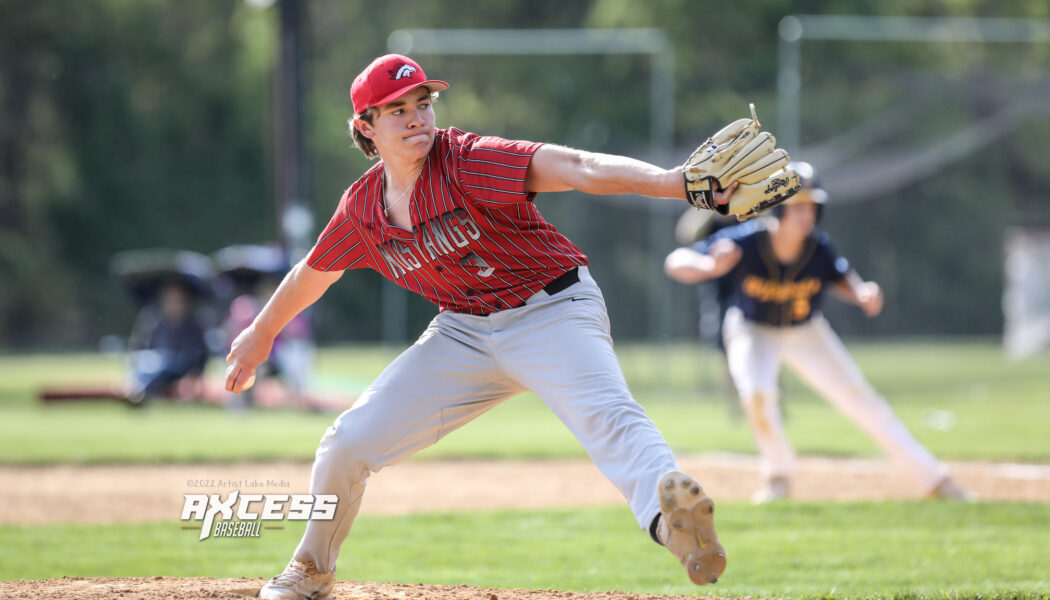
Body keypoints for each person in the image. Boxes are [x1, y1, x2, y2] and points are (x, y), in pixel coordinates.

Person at [225, 54, 736, 599]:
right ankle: (312, 569)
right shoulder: (363, 209)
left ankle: (673, 521)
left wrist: (673, 182)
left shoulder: (468, 160)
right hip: (463, 333)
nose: (417, 117)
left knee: (608, 415)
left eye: (423, 103)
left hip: (551, 311)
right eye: (397, 110)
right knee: (346, 443)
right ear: (365, 128)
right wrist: (261, 334)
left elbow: (578, 166)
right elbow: (313, 273)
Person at [663, 162, 974, 503]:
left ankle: (935, 481)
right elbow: (676, 261)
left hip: (806, 332)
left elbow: (841, 275)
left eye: (811, 205)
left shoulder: (817, 247)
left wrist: (861, 292)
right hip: (752, 330)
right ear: (777, 208)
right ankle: (778, 477)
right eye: (798, 206)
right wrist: (709, 266)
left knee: (863, 401)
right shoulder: (748, 241)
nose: (806, 214)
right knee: (756, 395)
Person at [124, 278, 210, 404]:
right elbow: (139, 346)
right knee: (146, 361)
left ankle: (137, 391)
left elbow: (197, 356)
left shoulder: (194, 325)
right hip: (152, 364)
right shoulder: (154, 322)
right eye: (169, 300)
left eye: (177, 300)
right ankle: (134, 389)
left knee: (161, 361)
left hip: (178, 366)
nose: (173, 305)